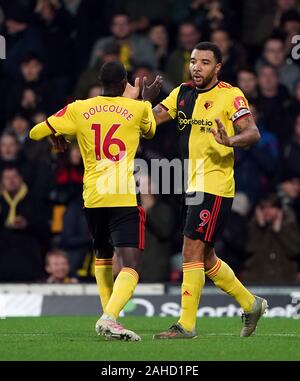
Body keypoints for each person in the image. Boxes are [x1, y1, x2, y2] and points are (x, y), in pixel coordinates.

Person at [29, 61, 162, 341]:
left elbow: (35, 132)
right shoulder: (137, 108)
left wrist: (58, 137)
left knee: (102, 255)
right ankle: (110, 316)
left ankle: (108, 317)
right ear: (125, 82)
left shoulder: (79, 108)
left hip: (93, 197)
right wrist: (145, 101)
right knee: (131, 264)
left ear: (100, 82)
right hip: (123, 196)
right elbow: (149, 131)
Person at [146, 42, 267, 338]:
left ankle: (186, 325)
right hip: (188, 183)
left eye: (204, 62)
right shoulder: (182, 93)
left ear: (217, 67)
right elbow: (147, 123)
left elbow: (252, 133)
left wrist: (230, 142)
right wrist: (141, 103)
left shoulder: (230, 94)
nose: (196, 67)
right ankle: (251, 304)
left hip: (214, 185)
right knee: (207, 257)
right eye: (193, 61)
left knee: (190, 248)